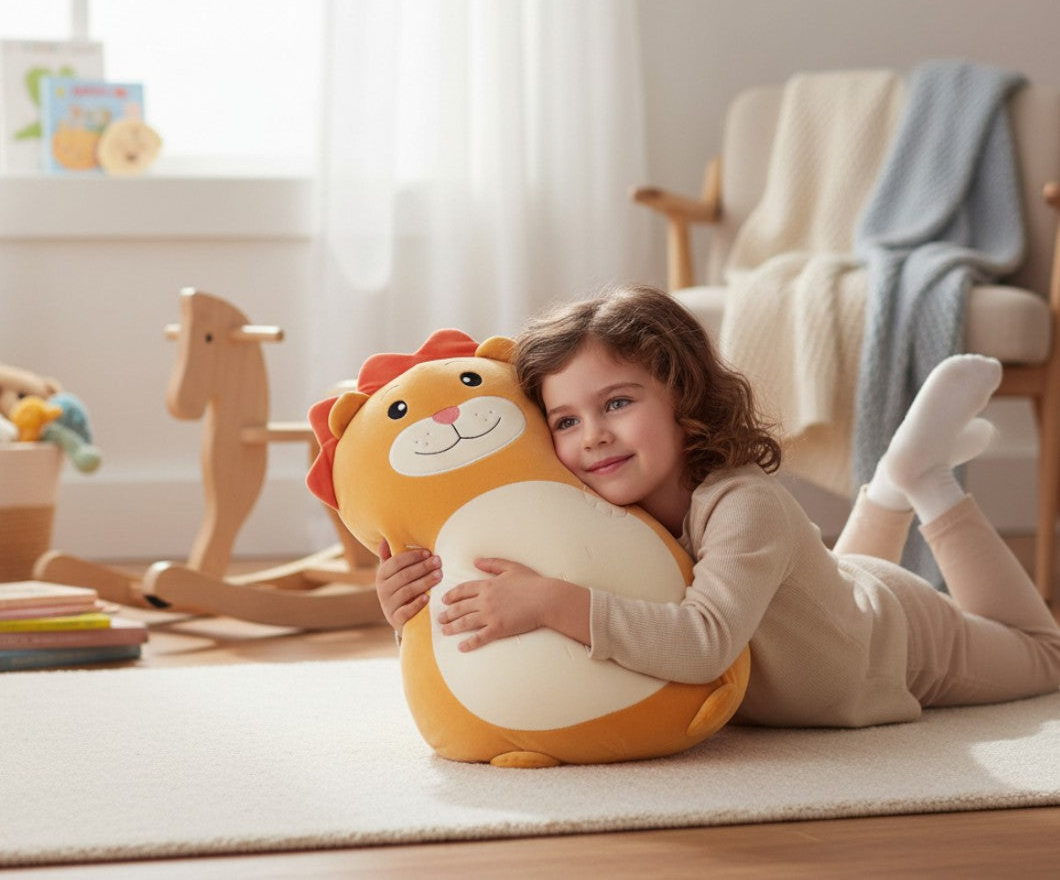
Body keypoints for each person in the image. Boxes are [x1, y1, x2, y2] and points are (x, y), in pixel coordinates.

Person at [375, 284, 1060, 727]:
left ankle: (924, 481)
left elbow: (703, 643)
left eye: (618, 402)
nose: (594, 436)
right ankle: (890, 483)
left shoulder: (744, 504)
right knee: (822, 586)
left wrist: (552, 600)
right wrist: (414, 603)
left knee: (1044, 656)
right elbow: (504, 604)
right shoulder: (592, 507)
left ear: (685, 396)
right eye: (566, 421)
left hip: (892, 640)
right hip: (818, 602)